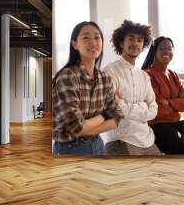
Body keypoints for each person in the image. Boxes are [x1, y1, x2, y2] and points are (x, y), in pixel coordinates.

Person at [52, 21, 122, 155]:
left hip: (98, 144)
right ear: (74, 44)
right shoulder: (68, 76)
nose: (93, 42)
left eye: (97, 37)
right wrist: (103, 117)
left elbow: (117, 118)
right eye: (86, 37)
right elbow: (76, 127)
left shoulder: (105, 78)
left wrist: (88, 130)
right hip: (70, 149)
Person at [103, 20, 162, 155]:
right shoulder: (110, 72)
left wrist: (126, 107)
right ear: (121, 42)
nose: (135, 43)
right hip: (123, 140)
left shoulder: (144, 76)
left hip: (147, 139)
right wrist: (142, 107)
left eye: (140, 40)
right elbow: (115, 109)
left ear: (143, 45)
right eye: (131, 39)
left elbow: (153, 110)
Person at [142, 36, 184, 154]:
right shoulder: (147, 74)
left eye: (170, 48)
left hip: (178, 122)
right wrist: (176, 102)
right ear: (155, 51)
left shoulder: (173, 74)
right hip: (158, 125)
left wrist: (168, 102)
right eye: (162, 48)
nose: (167, 51)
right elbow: (158, 108)